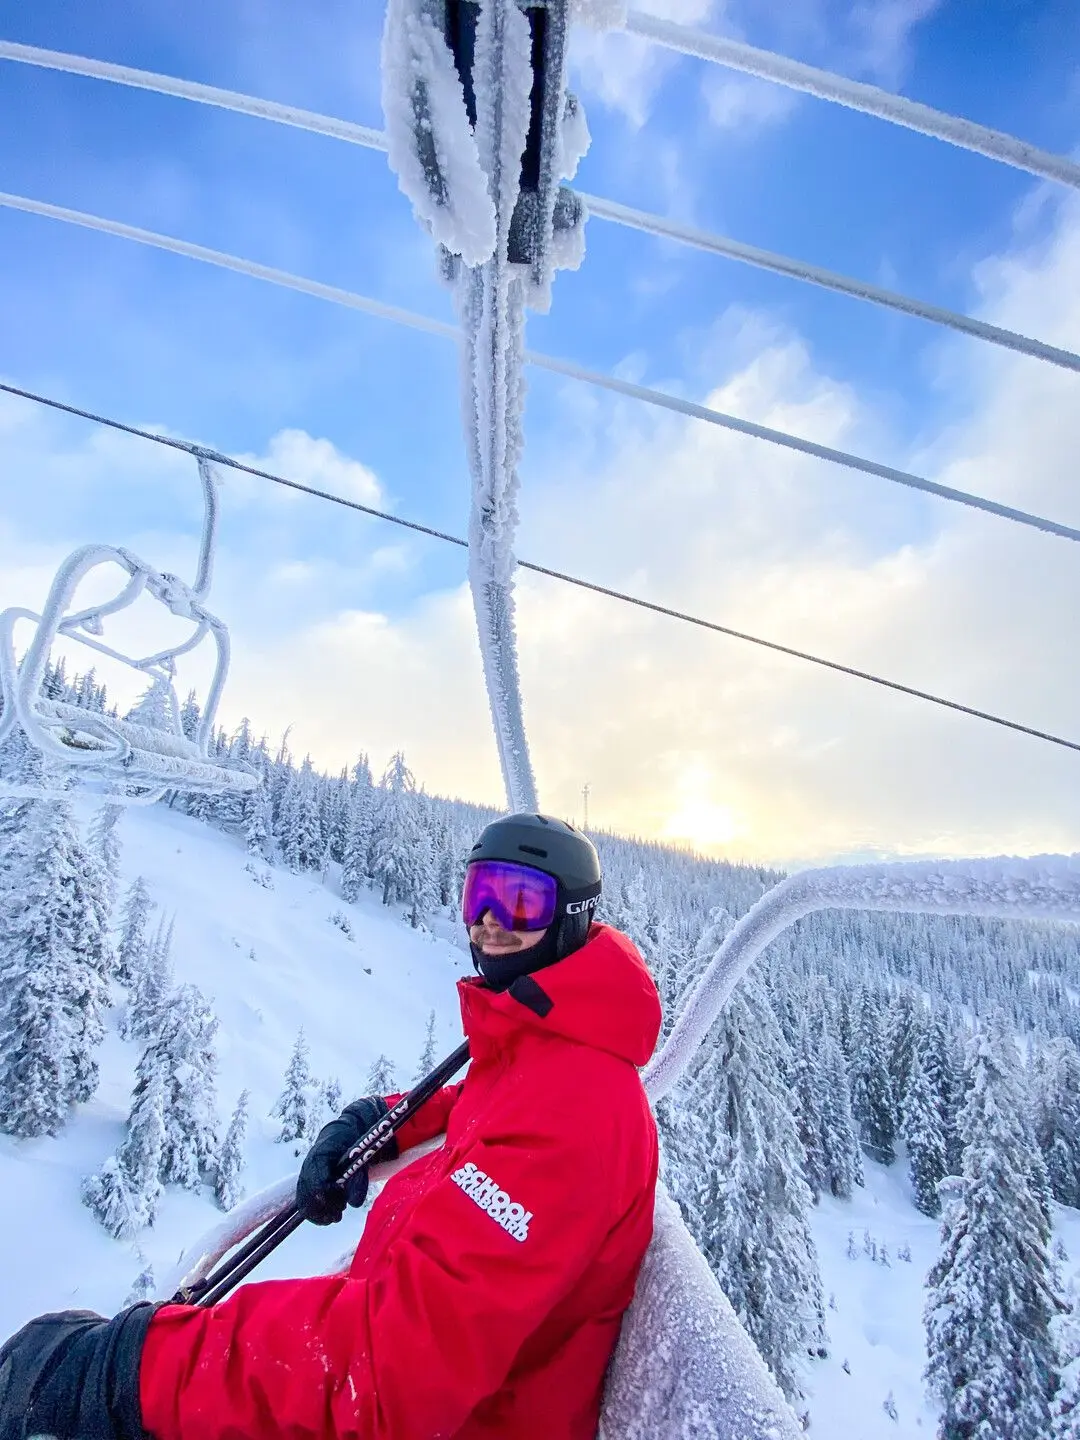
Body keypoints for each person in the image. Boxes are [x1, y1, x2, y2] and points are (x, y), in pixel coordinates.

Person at [0, 813, 662, 1440]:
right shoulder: (553, 1044)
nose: (489, 923)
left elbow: (386, 1376)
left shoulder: (576, 1114)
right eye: (477, 895)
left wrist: (140, 1372)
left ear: (574, 914)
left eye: (520, 902)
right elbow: (485, 1103)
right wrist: (380, 1124)